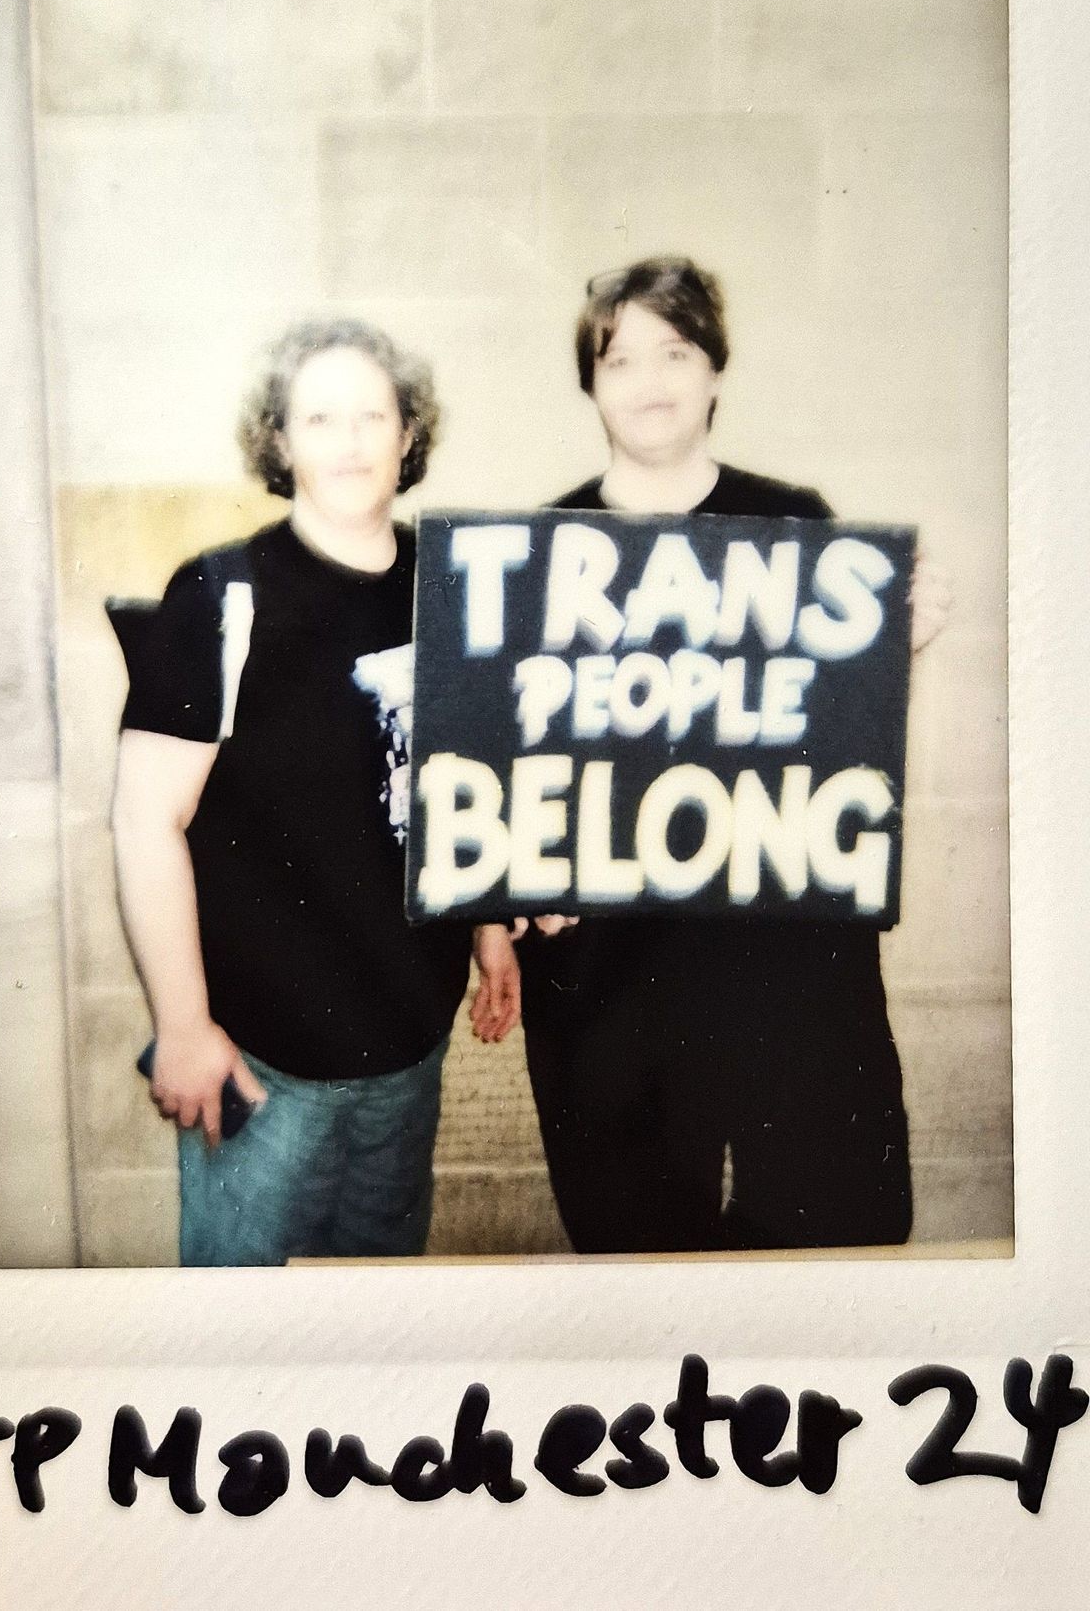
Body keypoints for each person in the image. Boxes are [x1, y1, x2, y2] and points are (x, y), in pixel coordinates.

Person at [470, 256, 951, 1255]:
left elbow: (831, 735)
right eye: (620, 357)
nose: (649, 379)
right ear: (590, 382)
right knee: (638, 1237)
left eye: (675, 350)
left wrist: (892, 643)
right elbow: (507, 762)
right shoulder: (542, 547)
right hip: (613, 972)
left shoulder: (795, 523)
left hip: (780, 957)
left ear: (716, 371)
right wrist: (505, 901)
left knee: (824, 1226)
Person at [111, 316, 513, 1266]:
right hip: (259, 1066)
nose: (348, 440)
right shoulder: (221, 595)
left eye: (373, 414)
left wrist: (492, 928)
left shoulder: (457, 582)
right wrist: (182, 1028)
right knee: (242, 1347)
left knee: (375, 1335)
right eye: (319, 416)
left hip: (409, 1053)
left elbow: (467, 773)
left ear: (408, 435)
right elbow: (144, 822)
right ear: (280, 440)